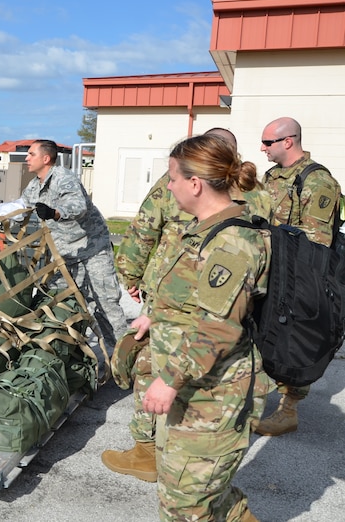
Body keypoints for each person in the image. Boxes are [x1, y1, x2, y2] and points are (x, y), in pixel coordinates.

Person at [104, 127, 271, 483]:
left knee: (190, 497)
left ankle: (147, 449)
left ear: (197, 180)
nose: (168, 184)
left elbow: (145, 230)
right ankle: (154, 450)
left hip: (207, 366)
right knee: (198, 493)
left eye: (173, 177)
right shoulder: (247, 202)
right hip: (179, 313)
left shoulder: (230, 236)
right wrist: (156, 311)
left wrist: (130, 275)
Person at [254, 117, 341, 436]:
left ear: (288, 141)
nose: (262, 148)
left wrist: (273, 237)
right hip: (270, 270)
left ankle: (288, 408)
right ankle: (256, 398)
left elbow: (317, 239)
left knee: (294, 337)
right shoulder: (272, 176)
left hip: (298, 275)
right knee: (261, 334)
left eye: (267, 142)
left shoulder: (317, 180)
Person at [20, 139, 128, 349]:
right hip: (66, 255)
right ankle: (74, 354)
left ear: (46, 158)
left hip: (92, 249)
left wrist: (55, 212)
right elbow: (19, 209)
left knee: (105, 305)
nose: (26, 158)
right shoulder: (34, 186)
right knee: (61, 302)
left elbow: (77, 205)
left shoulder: (64, 178)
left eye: (31, 154)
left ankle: (124, 361)